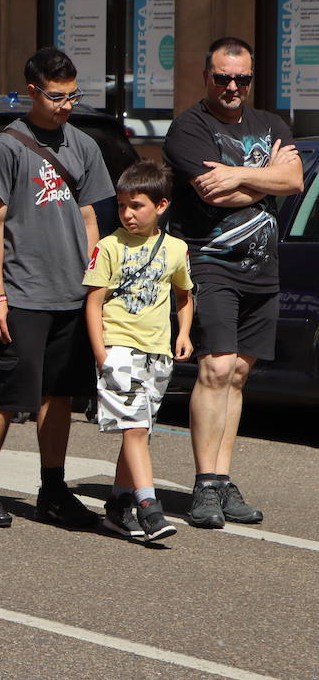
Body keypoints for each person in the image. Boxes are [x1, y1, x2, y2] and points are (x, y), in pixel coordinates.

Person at [0, 47, 114, 530]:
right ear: (32, 92)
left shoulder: (83, 145)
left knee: (59, 395)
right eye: (57, 96)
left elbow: (89, 216)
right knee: (6, 391)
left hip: (70, 291)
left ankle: (53, 488)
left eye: (72, 96)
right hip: (22, 291)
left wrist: (95, 282)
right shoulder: (7, 146)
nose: (66, 105)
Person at [162, 36, 301, 529]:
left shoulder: (272, 124)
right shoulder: (188, 128)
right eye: (222, 77)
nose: (232, 86)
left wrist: (243, 174)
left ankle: (223, 480)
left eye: (241, 78)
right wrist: (268, 175)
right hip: (209, 263)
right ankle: (203, 485)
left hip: (262, 269)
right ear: (207, 77)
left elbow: (296, 182)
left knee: (238, 375)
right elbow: (213, 193)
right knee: (215, 368)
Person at [84, 161, 193, 542]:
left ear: (161, 205)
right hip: (120, 350)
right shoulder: (108, 246)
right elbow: (93, 303)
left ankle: (117, 504)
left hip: (157, 353)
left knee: (139, 432)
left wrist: (185, 334)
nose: (127, 214)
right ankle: (149, 507)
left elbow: (184, 295)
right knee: (134, 430)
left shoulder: (176, 250)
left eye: (137, 206)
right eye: (122, 206)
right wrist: (102, 353)